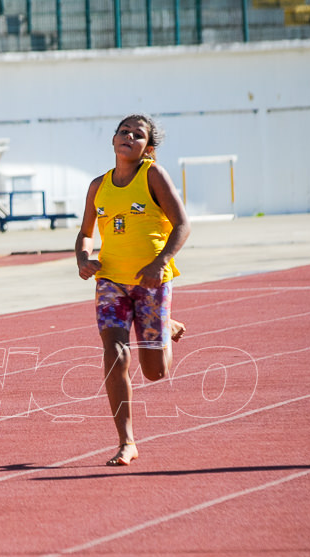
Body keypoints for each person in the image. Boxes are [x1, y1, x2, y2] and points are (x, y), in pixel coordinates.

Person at [74, 114, 191, 467]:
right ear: (112, 141)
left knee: (155, 371)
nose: (128, 136)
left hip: (151, 281)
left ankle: (164, 324)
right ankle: (126, 441)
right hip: (110, 281)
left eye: (137, 135)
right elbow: (85, 233)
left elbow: (183, 225)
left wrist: (162, 261)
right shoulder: (98, 186)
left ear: (148, 150)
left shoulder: (153, 175)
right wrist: (83, 258)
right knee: (116, 355)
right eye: (123, 132)